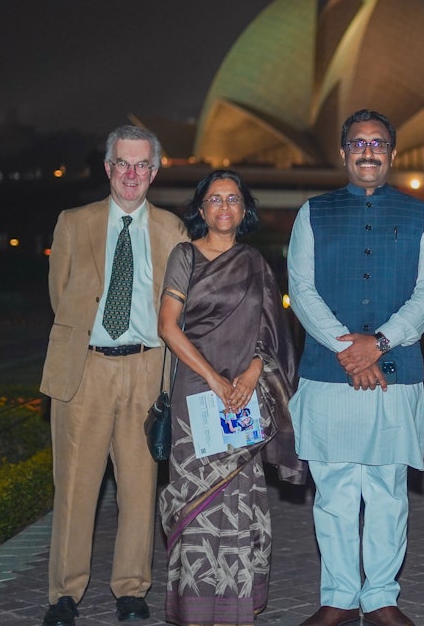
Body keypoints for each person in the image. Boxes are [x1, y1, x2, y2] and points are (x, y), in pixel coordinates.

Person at [286, 109, 424, 626]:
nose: (368, 151)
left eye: (378, 143)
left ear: (393, 154)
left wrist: (378, 344)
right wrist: (348, 349)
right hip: (329, 372)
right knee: (333, 491)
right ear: (344, 152)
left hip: (395, 370)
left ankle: (380, 597)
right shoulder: (313, 212)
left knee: (386, 491)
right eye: (359, 143)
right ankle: (337, 595)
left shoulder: (423, 214)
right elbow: (302, 290)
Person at [40, 125, 188, 626]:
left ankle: (131, 588)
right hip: (85, 367)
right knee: (75, 486)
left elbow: (182, 308)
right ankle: (64, 593)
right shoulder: (73, 222)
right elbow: (60, 294)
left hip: (148, 367)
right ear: (108, 168)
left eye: (141, 165)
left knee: (139, 486)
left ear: (154, 172)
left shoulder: (172, 230)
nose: (131, 174)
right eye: (123, 163)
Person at [157, 170, 306, 625]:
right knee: (197, 501)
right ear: (201, 209)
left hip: (244, 396)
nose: (224, 207)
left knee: (240, 497)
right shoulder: (185, 256)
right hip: (197, 398)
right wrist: (217, 381)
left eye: (234, 199)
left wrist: (248, 375)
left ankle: (236, 606)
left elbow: (272, 334)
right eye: (215, 199)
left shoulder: (255, 264)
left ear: (245, 211)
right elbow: (167, 326)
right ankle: (197, 609)